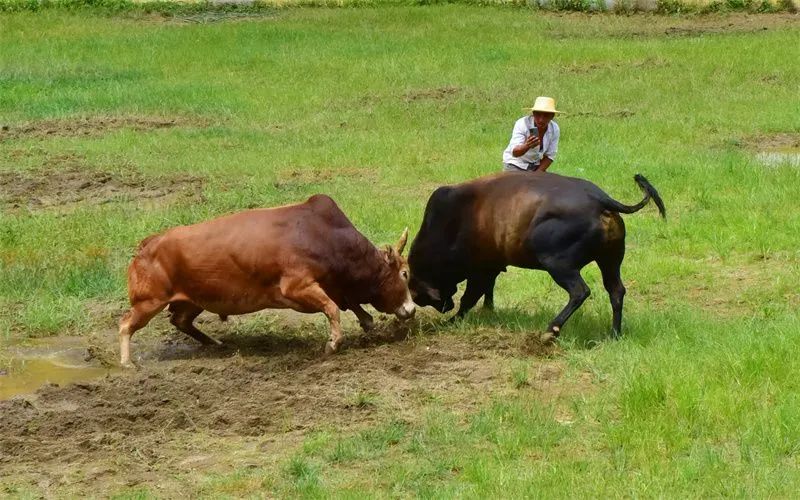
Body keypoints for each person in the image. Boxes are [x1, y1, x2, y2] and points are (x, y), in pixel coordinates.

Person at [502, 96, 561, 173]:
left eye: (546, 116)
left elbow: (550, 155)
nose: (541, 120)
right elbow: (515, 153)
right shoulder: (522, 124)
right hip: (515, 164)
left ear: (552, 116)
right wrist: (527, 145)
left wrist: (537, 174)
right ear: (533, 113)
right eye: (538, 115)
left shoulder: (554, 128)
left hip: (535, 166)